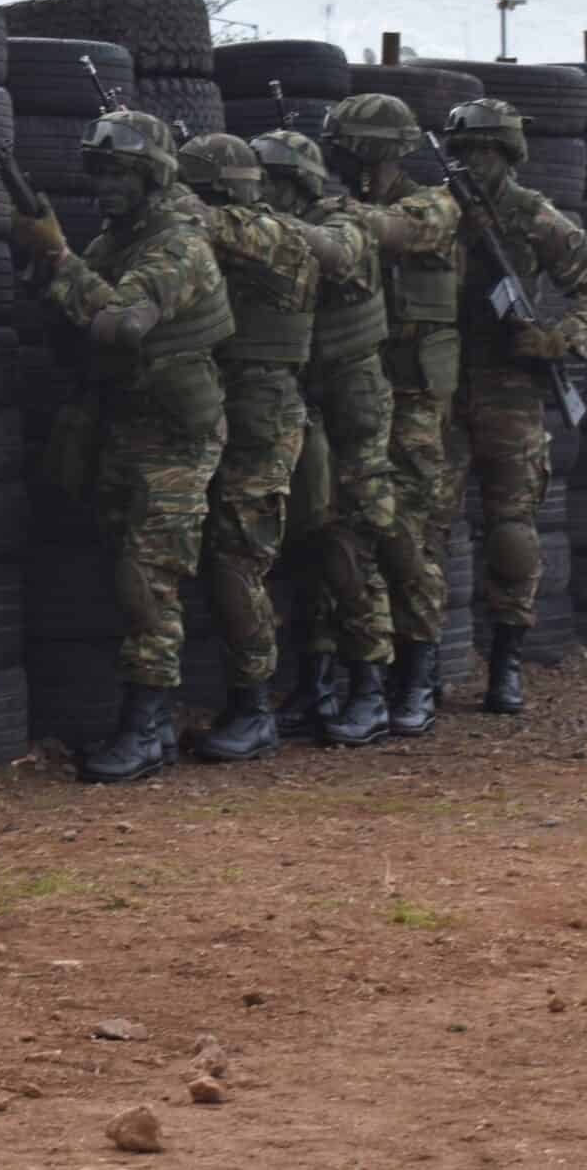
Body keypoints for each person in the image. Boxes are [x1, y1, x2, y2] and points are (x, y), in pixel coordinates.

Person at [15, 111, 230, 782]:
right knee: (127, 573)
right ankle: (152, 726)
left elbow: (121, 324)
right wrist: (44, 268)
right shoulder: (121, 238)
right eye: (99, 172)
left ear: (151, 176)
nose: (103, 186)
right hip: (128, 423)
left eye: (119, 173)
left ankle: (145, 728)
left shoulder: (177, 244)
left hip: (173, 436)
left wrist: (59, 258)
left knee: (148, 580)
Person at [441, 99, 587, 712]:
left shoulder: (536, 217)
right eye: (463, 151)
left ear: (509, 154)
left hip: (510, 387)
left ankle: (507, 659)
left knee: (511, 527)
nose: (471, 162)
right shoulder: (438, 211)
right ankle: (420, 664)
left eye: (484, 150)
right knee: (425, 526)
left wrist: (559, 337)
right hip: (439, 386)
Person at [174, 133, 328, 761]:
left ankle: (254, 706)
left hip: (261, 411)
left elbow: (214, 225)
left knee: (239, 557)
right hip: (211, 404)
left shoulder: (277, 235)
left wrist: (180, 198)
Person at [323, 94, 466, 735]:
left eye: (350, 148)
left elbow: (392, 231)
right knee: (345, 534)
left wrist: (333, 210)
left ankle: (418, 675)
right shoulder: (342, 207)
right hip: (354, 391)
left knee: (406, 537)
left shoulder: (433, 202)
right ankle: (362, 678)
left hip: (413, 402)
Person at [256, 130, 395, 746]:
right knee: (308, 540)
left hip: (352, 403)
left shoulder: (342, 223)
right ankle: (317, 681)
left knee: (351, 545)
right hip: (304, 399)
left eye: (270, 184)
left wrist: (251, 223)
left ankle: (370, 686)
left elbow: (335, 253)